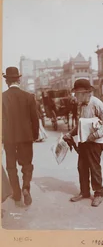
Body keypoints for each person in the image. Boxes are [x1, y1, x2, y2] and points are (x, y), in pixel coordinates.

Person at [63, 78, 103, 207]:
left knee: (94, 167)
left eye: (77, 93)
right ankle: (84, 192)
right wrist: (70, 133)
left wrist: (94, 136)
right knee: (82, 167)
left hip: (95, 142)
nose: (75, 96)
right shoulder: (81, 104)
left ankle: (98, 194)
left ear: (86, 93)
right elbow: (80, 123)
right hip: (84, 140)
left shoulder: (97, 104)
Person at [2, 67, 39, 206]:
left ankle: (16, 194)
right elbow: (35, 119)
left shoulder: (2, 97)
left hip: (9, 138)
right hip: (25, 137)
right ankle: (26, 188)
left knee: (11, 166)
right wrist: (34, 136)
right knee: (27, 164)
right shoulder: (29, 97)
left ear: (7, 81)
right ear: (18, 80)